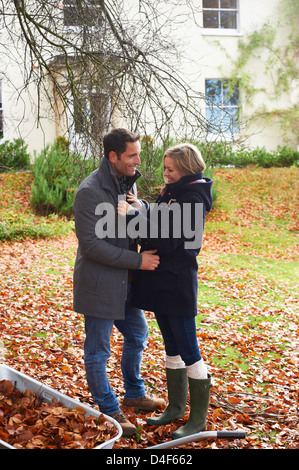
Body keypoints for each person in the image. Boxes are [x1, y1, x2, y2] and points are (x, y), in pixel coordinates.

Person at [117, 143, 213, 439]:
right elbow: (161, 218)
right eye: (165, 168)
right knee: (171, 345)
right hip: (162, 281)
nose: (166, 173)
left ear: (185, 169)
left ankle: (197, 419)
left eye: (170, 169)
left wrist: (133, 217)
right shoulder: (174, 192)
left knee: (188, 348)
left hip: (178, 284)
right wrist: (142, 206)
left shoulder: (193, 197)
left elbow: (170, 239)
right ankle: (174, 407)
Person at [73, 128, 165, 437]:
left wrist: (140, 211)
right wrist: (139, 261)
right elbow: (92, 246)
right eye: (132, 155)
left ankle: (134, 393)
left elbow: (133, 227)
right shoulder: (89, 192)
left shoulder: (125, 186)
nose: (138, 161)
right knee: (98, 351)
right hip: (99, 284)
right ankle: (109, 409)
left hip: (124, 285)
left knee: (138, 333)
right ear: (113, 157)